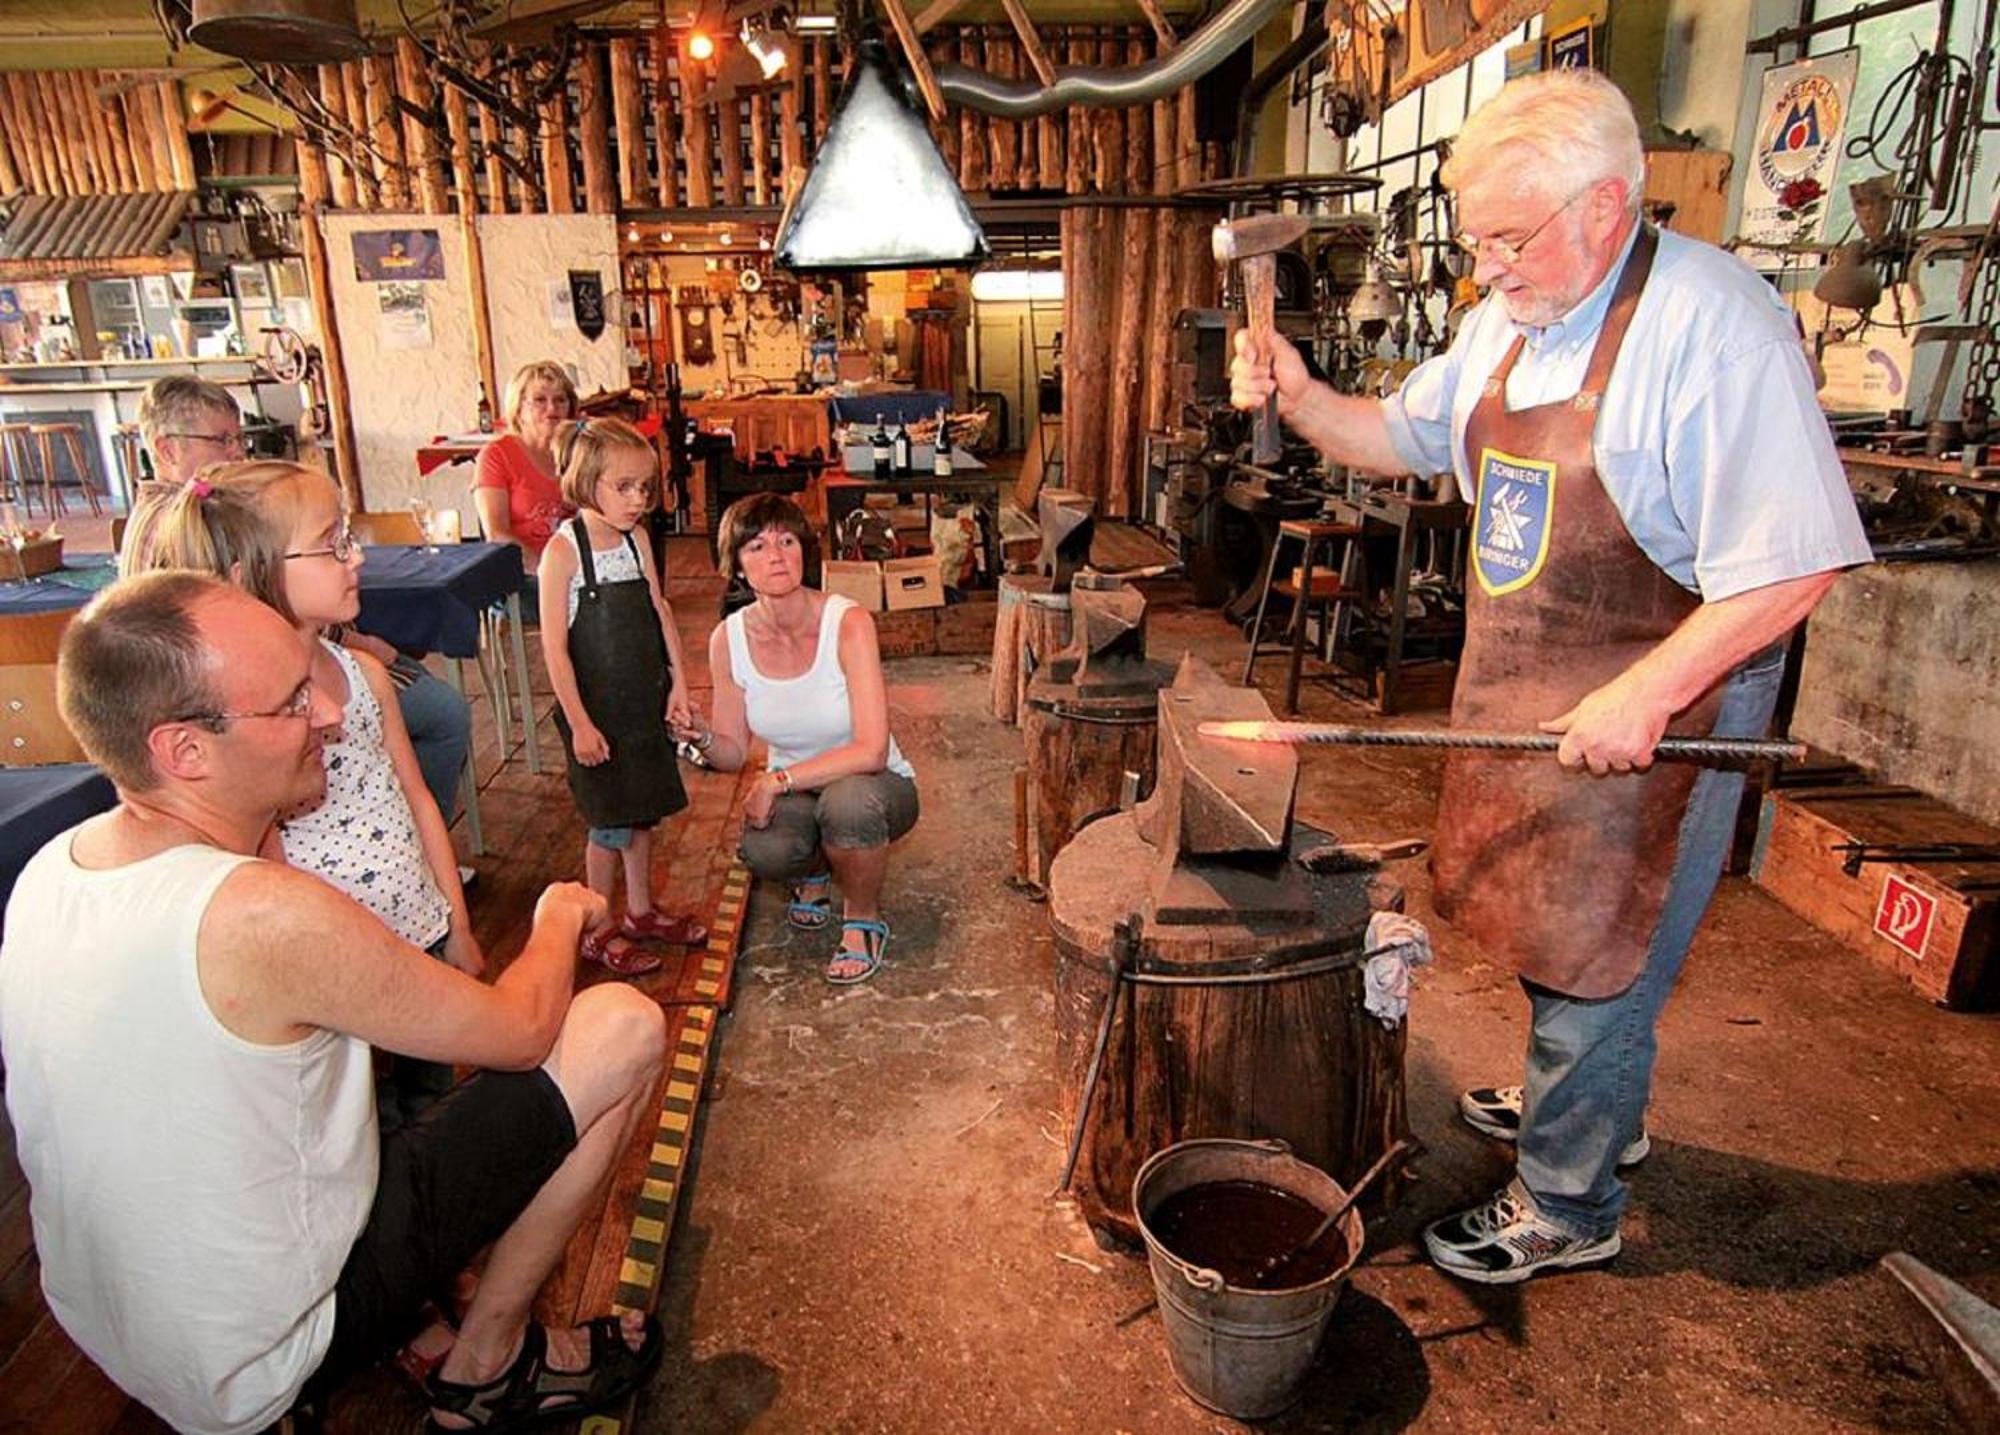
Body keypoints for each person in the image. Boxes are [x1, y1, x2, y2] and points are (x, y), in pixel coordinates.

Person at [1229, 68, 1870, 1283]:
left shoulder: (1710, 326)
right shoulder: (1506, 324)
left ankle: (1569, 1201)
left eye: (1507, 238)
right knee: (1542, 920)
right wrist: (1307, 396)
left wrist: (1648, 694)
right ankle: (1593, 1106)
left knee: (1602, 946)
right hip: (1525, 681)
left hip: (1669, 685)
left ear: (1607, 206)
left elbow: (1793, 564)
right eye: (1476, 240)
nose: (1486, 269)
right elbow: (1397, 437)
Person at [0, 571, 666, 1435]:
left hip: (111, 1321)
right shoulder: (260, 914)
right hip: (260, 1354)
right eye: (288, 705)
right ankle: (488, 1363)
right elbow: (520, 1029)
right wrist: (557, 916)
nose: (330, 715)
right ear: (183, 751)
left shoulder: (54, 865)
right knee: (620, 1025)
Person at [120, 459, 483, 1125]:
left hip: (418, 934)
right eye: (333, 542)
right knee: (359, 1125)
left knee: (433, 1108)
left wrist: (455, 922)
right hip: (334, 975)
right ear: (252, 574)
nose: (356, 557)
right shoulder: (249, 723)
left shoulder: (366, 675)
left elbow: (419, 800)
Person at [138, 374, 474, 835]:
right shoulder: (183, 531)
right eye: (222, 440)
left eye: (239, 439)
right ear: (167, 449)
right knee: (443, 711)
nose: (237, 451)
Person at [697, 493, 919, 984]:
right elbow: (732, 752)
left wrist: (777, 780)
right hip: (801, 790)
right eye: (755, 546)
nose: (775, 555)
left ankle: (862, 917)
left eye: (786, 540)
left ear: (804, 550)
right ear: (735, 565)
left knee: (849, 806)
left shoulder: (849, 623)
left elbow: (871, 750)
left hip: (876, 785)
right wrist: (698, 736)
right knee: (765, 849)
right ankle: (814, 869)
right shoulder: (728, 640)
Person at [539, 417, 708, 977]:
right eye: (625, 487)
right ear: (588, 483)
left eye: (646, 488)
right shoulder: (563, 554)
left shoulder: (637, 540)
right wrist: (581, 724)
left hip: (643, 703)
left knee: (642, 814)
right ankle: (599, 922)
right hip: (598, 715)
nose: (639, 501)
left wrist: (679, 683)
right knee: (608, 822)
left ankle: (638, 911)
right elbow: (557, 651)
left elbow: (658, 611)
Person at [475, 360, 580, 595]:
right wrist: (548, 571)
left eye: (560, 400)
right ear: (519, 409)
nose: (552, 408)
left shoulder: (578, 453)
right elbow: (496, 533)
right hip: (524, 574)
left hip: (576, 566)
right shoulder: (496, 455)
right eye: (540, 400)